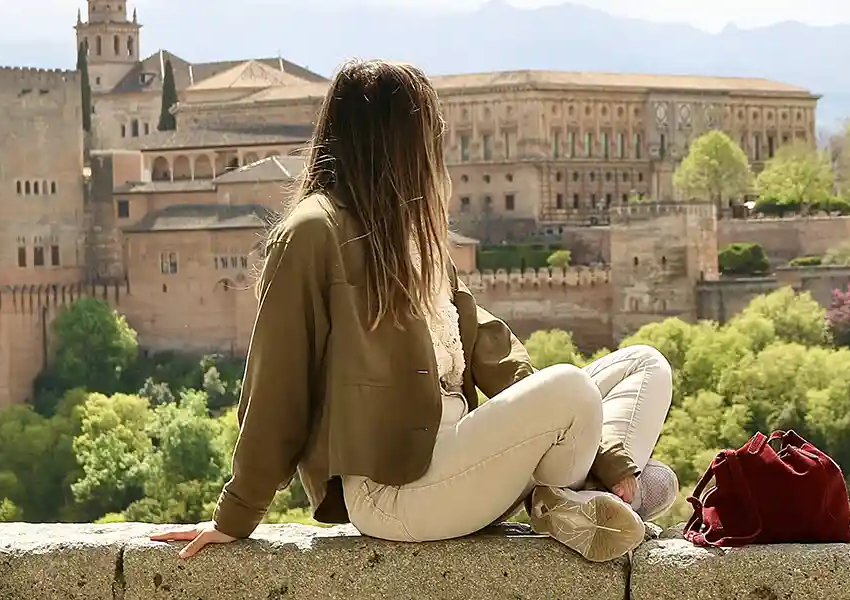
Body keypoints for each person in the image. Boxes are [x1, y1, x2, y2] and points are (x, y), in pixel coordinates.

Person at [152, 59, 679, 563]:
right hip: (401, 490)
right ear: (396, 141)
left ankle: (577, 500)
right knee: (571, 389)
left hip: (470, 458)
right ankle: (583, 498)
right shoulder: (312, 232)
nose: (437, 151)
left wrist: (610, 454)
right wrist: (236, 514)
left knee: (644, 365)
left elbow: (497, 357)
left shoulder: (416, 237)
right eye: (429, 134)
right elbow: (276, 385)